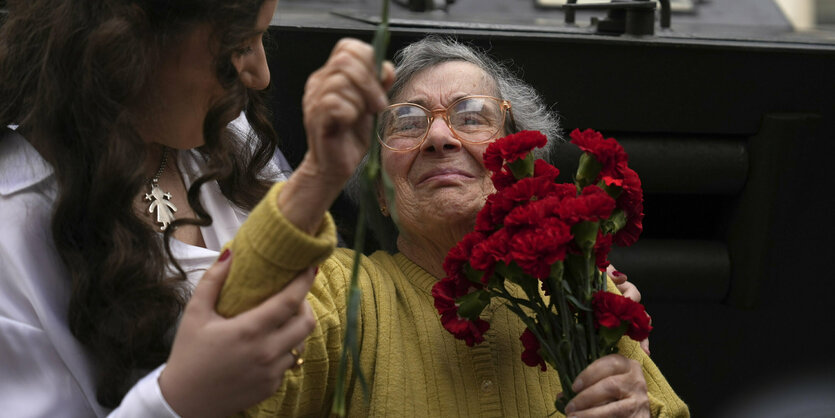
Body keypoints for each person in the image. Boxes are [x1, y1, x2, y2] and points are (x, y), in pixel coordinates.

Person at [216, 37, 688, 416]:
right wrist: (318, 174)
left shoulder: (579, 288)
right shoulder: (343, 291)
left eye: (471, 116)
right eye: (406, 123)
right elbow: (227, 375)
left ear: (519, 159)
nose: (439, 138)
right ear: (381, 192)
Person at [0, 0, 316, 416]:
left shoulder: (229, 136)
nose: (261, 76)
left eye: (264, 38)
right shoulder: (13, 229)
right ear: (127, 40)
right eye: (239, 45)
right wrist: (179, 398)